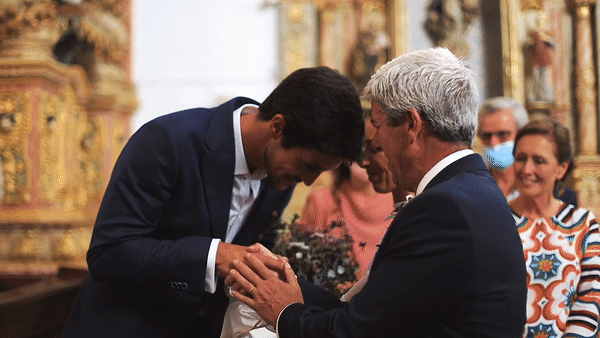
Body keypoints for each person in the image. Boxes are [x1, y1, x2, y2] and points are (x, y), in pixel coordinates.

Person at [227, 47, 528, 337]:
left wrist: (283, 311)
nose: (376, 145)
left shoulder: (444, 208)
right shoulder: (473, 189)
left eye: (378, 125)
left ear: (411, 124)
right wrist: (287, 284)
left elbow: (357, 332)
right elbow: (380, 314)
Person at [61, 66, 365, 338]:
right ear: (277, 127)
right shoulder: (168, 141)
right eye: (310, 166)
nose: (310, 181)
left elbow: (250, 253)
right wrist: (214, 255)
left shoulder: (280, 173)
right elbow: (108, 252)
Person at [509, 117, 600, 337]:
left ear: (562, 168)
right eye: (521, 158)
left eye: (538, 160)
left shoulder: (583, 224)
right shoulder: (497, 221)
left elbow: (591, 296)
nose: (526, 169)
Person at [297, 162, 394, 280]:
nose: (364, 157)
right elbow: (300, 266)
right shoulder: (321, 201)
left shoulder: (402, 206)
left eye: (372, 147)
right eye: (360, 145)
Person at [478, 96, 577, 206]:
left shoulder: (560, 196)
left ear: (521, 135)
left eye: (503, 135)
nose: (493, 143)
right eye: (486, 136)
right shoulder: (472, 189)